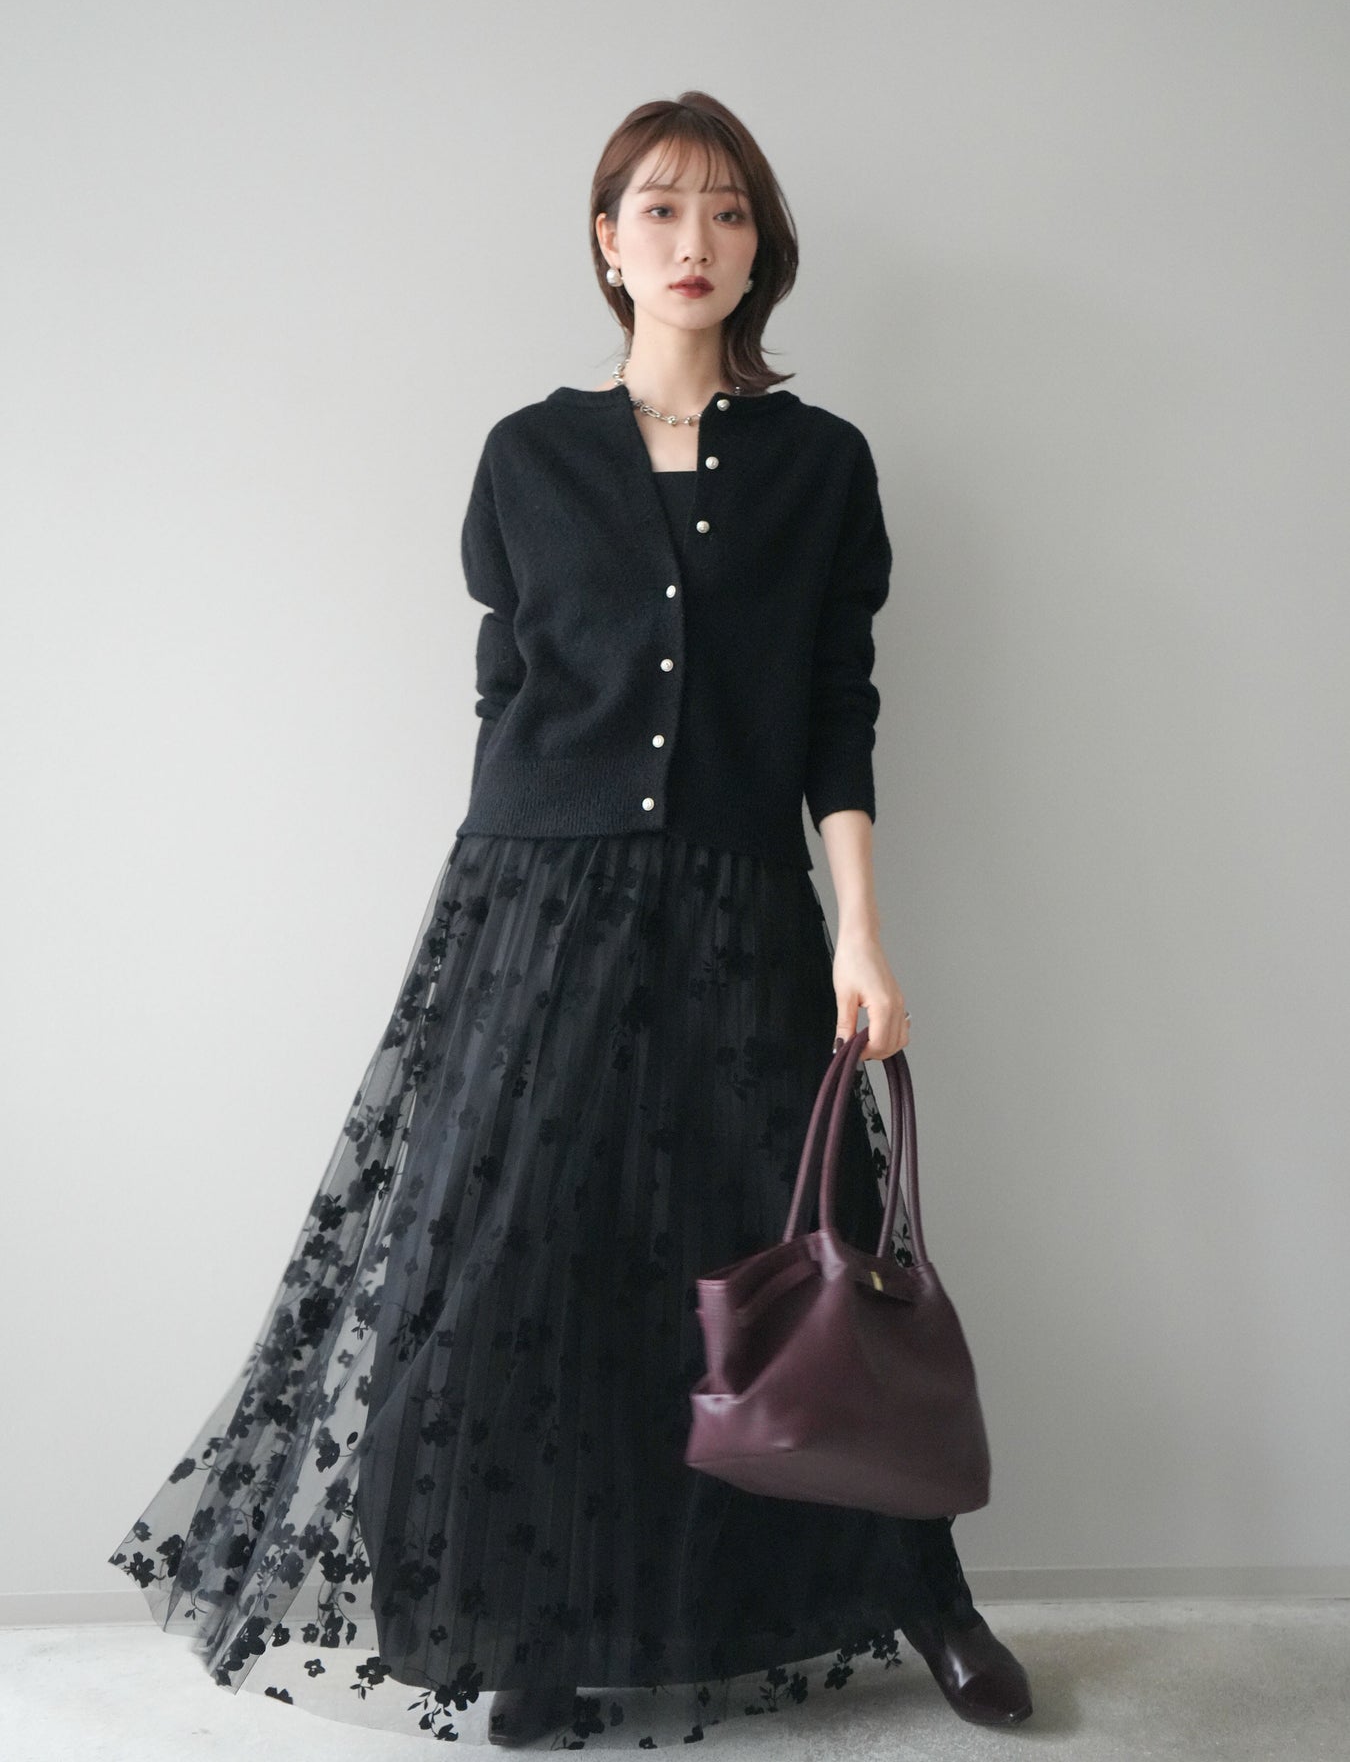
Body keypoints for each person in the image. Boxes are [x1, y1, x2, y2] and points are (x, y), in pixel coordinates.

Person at [108, 90, 1032, 1751]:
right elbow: (509, 697)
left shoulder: (820, 465)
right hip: (539, 905)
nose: (695, 241)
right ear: (607, 244)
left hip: (743, 905)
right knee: (523, 1260)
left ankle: (922, 1592)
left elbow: (837, 713)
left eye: (727, 212)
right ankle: (528, 1615)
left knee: (807, 1252)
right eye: (660, 210)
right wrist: (518, 908)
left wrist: (858, 932)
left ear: (763, 248)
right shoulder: (526, 457)